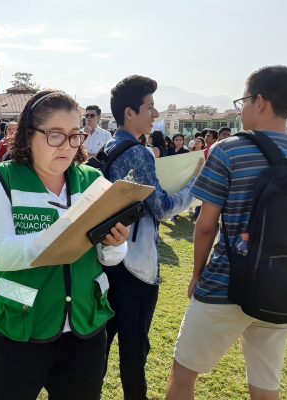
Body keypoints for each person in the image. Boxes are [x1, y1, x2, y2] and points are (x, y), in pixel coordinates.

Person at [0, 90, 129, 400]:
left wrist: (115, 244)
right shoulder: (3, 179)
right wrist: (65, 237)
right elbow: (1, 253)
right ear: (29, 135)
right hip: (17, 326)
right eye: (55, 135)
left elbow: (110, 259)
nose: (67, 146)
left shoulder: (94, 181)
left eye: (75, 136)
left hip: (85, 327)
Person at [166, 65, 287, 400]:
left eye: (244, 101)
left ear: (261, 102)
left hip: (226, 282)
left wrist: (197, 274)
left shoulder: (229, 150)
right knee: (266, 384)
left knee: (183, 373)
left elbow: (206, 225)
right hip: (283, 285)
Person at [101, 75, 202, 399]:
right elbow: (161, 207)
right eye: (150, 107)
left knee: (101, 344)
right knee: (134, 351)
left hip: (106, 260)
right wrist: (194, 187)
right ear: (129, 112)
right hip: (136, 267)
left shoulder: (108, 146)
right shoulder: (139, 153)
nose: (155, 114)